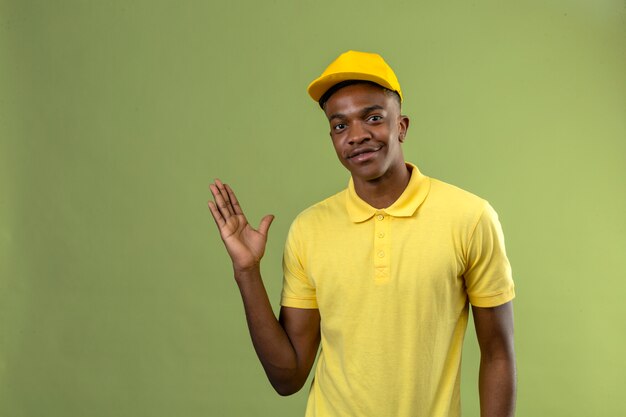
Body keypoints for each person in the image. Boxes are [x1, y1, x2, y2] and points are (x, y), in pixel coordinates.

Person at [208, 50, 516, 417]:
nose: (356, 135)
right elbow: (287, 378)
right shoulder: (310, 229)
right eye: (340, 125)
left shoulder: (470, 217)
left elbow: (497, 353)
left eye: (372, 118)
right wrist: (247, 272)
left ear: (401, 126)